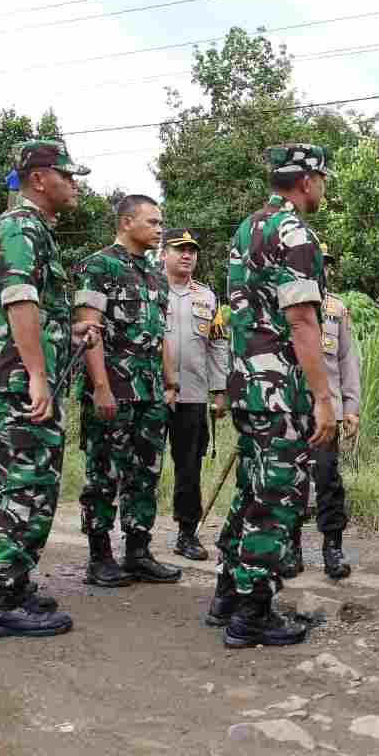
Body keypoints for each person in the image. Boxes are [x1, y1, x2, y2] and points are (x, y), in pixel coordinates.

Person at [208, 143, 337, 647]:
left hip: (247, 384)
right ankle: (253, 614)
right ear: (307, 181)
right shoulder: (295, 233)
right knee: (277, 497)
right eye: (322, 179)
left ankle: (227, 593)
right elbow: (302, 318)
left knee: (250, 491)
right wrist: (323, 397)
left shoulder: (249, 227)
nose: (323, 188)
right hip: (280, 388)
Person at [0, 139, 98, 639]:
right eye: (67, 175)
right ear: (40, 178)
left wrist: (68, 335)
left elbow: (36, 316)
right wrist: (40, 377)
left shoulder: (36, 230)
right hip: (21, 383)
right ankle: (1, 601)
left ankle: (12, 582)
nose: (74, 184)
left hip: (25, 377)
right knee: (23, 488)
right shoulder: (19, 227)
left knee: (34, 487)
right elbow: (19, 304)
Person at [73, 196, 182, 588]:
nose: (159, 229)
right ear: (125, 222)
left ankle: (137, 552)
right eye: (152, 222)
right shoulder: (98, 266)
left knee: (145, 475)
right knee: (103, 475)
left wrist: (170, 384)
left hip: (151, 393)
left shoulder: (155, 276)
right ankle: (99, 556)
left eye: (160, 222)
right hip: (113, 391)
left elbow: (160, 335)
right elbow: (89, 331)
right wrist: (101, 388)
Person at [160, 227, 230, 562]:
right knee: (141, 467)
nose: (187, 255)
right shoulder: (149, 288)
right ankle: (136, 538)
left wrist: (219, 391)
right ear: (163, 254)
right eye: (179, 249)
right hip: (151, 395)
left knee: (189, 466)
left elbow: (218, 345)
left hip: (192, 396)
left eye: (192, 250)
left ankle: (187, 534)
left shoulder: (207, 297)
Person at [305, 243, 360, 580]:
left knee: (327, 480)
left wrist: (351, 408)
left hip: (329, 412)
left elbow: (346, 361)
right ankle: (289, 548)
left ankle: (332, 548)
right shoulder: (284, 301)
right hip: (292, 409)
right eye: (314, 263)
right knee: (290, 484)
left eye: (324, 264)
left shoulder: (335, 309)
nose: (320, 270)